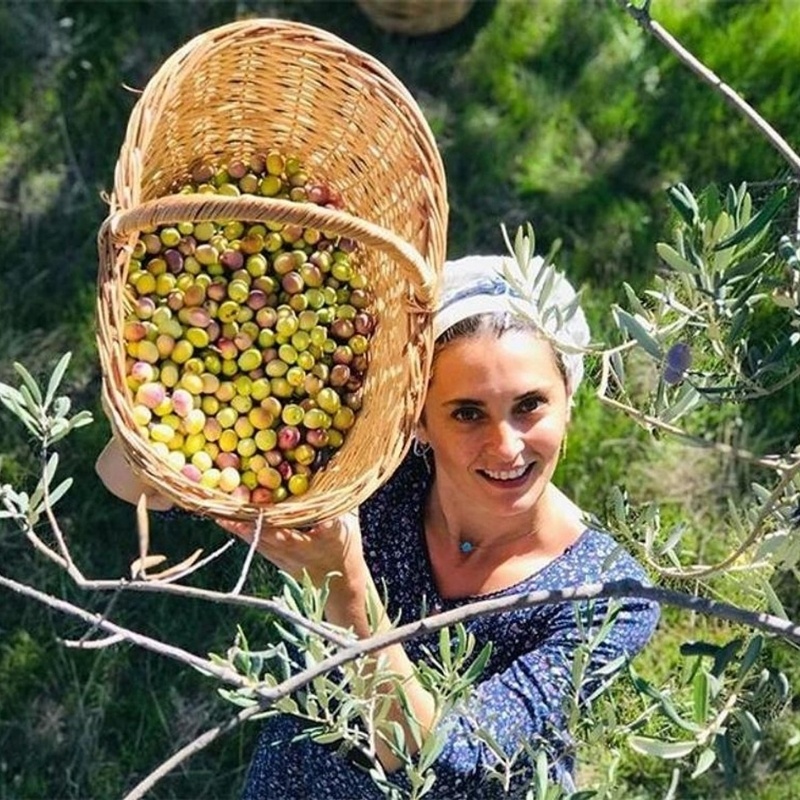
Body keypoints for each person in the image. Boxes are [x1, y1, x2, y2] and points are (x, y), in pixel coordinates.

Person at [220, 252, 661, 799]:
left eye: (529, 406)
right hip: (297, 780)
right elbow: (129, 479)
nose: (506, 447)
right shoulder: (378, 476)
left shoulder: (609, 595)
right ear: (419, 422)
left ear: (568, 400)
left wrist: (346, 585)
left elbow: (443, 758)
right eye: (467, 413)